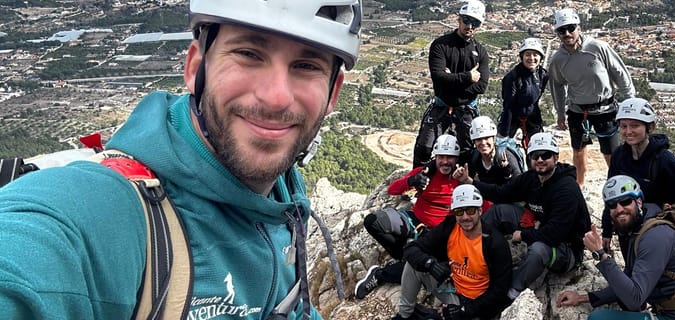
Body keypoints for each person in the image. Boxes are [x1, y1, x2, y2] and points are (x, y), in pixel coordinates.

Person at [0, 0, 361, 318]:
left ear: (332, 94)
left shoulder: (283, 196)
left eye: (306, 66)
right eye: (249, 54)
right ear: (194, 67)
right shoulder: (107, 212)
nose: (276, 98)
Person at [556, 175, 675, 320]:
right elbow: (631, 279)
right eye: (612, 205)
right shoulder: (637, 230)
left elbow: (634, 299)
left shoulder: (655, 236)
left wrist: (600, 254)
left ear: (639, 201)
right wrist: (584, 297)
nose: (619, 209)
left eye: (625, 201)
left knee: (598, 319)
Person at [463, 132, 591, 301]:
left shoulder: (566, 189)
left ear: (556, 157)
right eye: (535, 155)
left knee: (538, 249)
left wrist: (523, 235)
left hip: (567, 248)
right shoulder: (531, 178)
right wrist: (471, 182)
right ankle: (470, 256)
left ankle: (510, 292)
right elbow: (501, 193)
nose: (539, 160)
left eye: (545, 155)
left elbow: (554, 234)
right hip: (541, 225)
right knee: (498, 211)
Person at [359, 134, 490, 300]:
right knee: (374, 222)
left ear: (456, 158)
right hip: (415, 220)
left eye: (449, 157)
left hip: (440, 234)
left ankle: (381, 274)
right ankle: (402, 255)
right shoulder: (426, 173)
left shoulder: (462, 179)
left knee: (422, 267)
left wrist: (467, 183)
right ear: (435, 157)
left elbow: (485, 205)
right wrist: (412, 180)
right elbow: (392, 189)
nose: (445, 161)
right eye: (441, 157)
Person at [391, 184, 513, 320]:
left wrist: (464, 310)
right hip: (453, 289)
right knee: (413, 266)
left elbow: (500, 290)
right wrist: (431, 264)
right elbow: (411, 249)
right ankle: (404, 315)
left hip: (477, 302)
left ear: (480, 210)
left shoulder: (495, 243)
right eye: (460, 212)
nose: (465, 217)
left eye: (471, 210)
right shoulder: (450, 228)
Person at [548, 8, 636, 187]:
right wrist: (559, 114)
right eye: (561, 30)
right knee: (578, 151)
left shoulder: (597, 47)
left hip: (606, 109)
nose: (567, 33)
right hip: (578, 111)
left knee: (611, 153)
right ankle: (579, 187)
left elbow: (619, 73)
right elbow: (557, 86)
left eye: (570, 28)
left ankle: (617, 185)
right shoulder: (558, 60)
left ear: (578, 28)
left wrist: (630, 101)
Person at [601, 98, 675, 252]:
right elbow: (612, 194)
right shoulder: (619, 156)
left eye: (635, 125)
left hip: (655, 232)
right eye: (623, 126)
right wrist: (607, 230)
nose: (628, 132)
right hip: (627, 226)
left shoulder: (666, 162)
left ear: (650, 127)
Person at [412, 0, 490, 168]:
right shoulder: (441, 45)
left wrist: (451, 79)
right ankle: (416, 182)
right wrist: (468, 76)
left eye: (475, 23)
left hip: (466, 107)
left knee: (467, 151)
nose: (470, 26)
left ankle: (462, 186)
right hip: (442, 105)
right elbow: (439, 77)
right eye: (467, 20)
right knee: (424, 147)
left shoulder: (481, 52)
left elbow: (482, 86)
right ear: (459, 19)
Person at [499, 37, 549, 151]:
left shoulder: (543, 74)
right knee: (504, 151)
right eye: (528, 54)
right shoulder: (512, 78)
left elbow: (537, 96)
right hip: (512, 116)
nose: (531, 58)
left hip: (532, 114)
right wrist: (504, 135)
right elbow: (508, 106)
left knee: (538, 151)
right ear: (522, 57)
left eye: (535, 54)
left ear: (540, 57)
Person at [463, 116, 524, 186]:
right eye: (479, 139)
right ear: (474, 142)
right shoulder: (474, 157)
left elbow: (520, 184)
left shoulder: (505, 155)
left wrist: (508, 174)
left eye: (487, 138)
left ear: (494, 139)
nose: (483, 143)